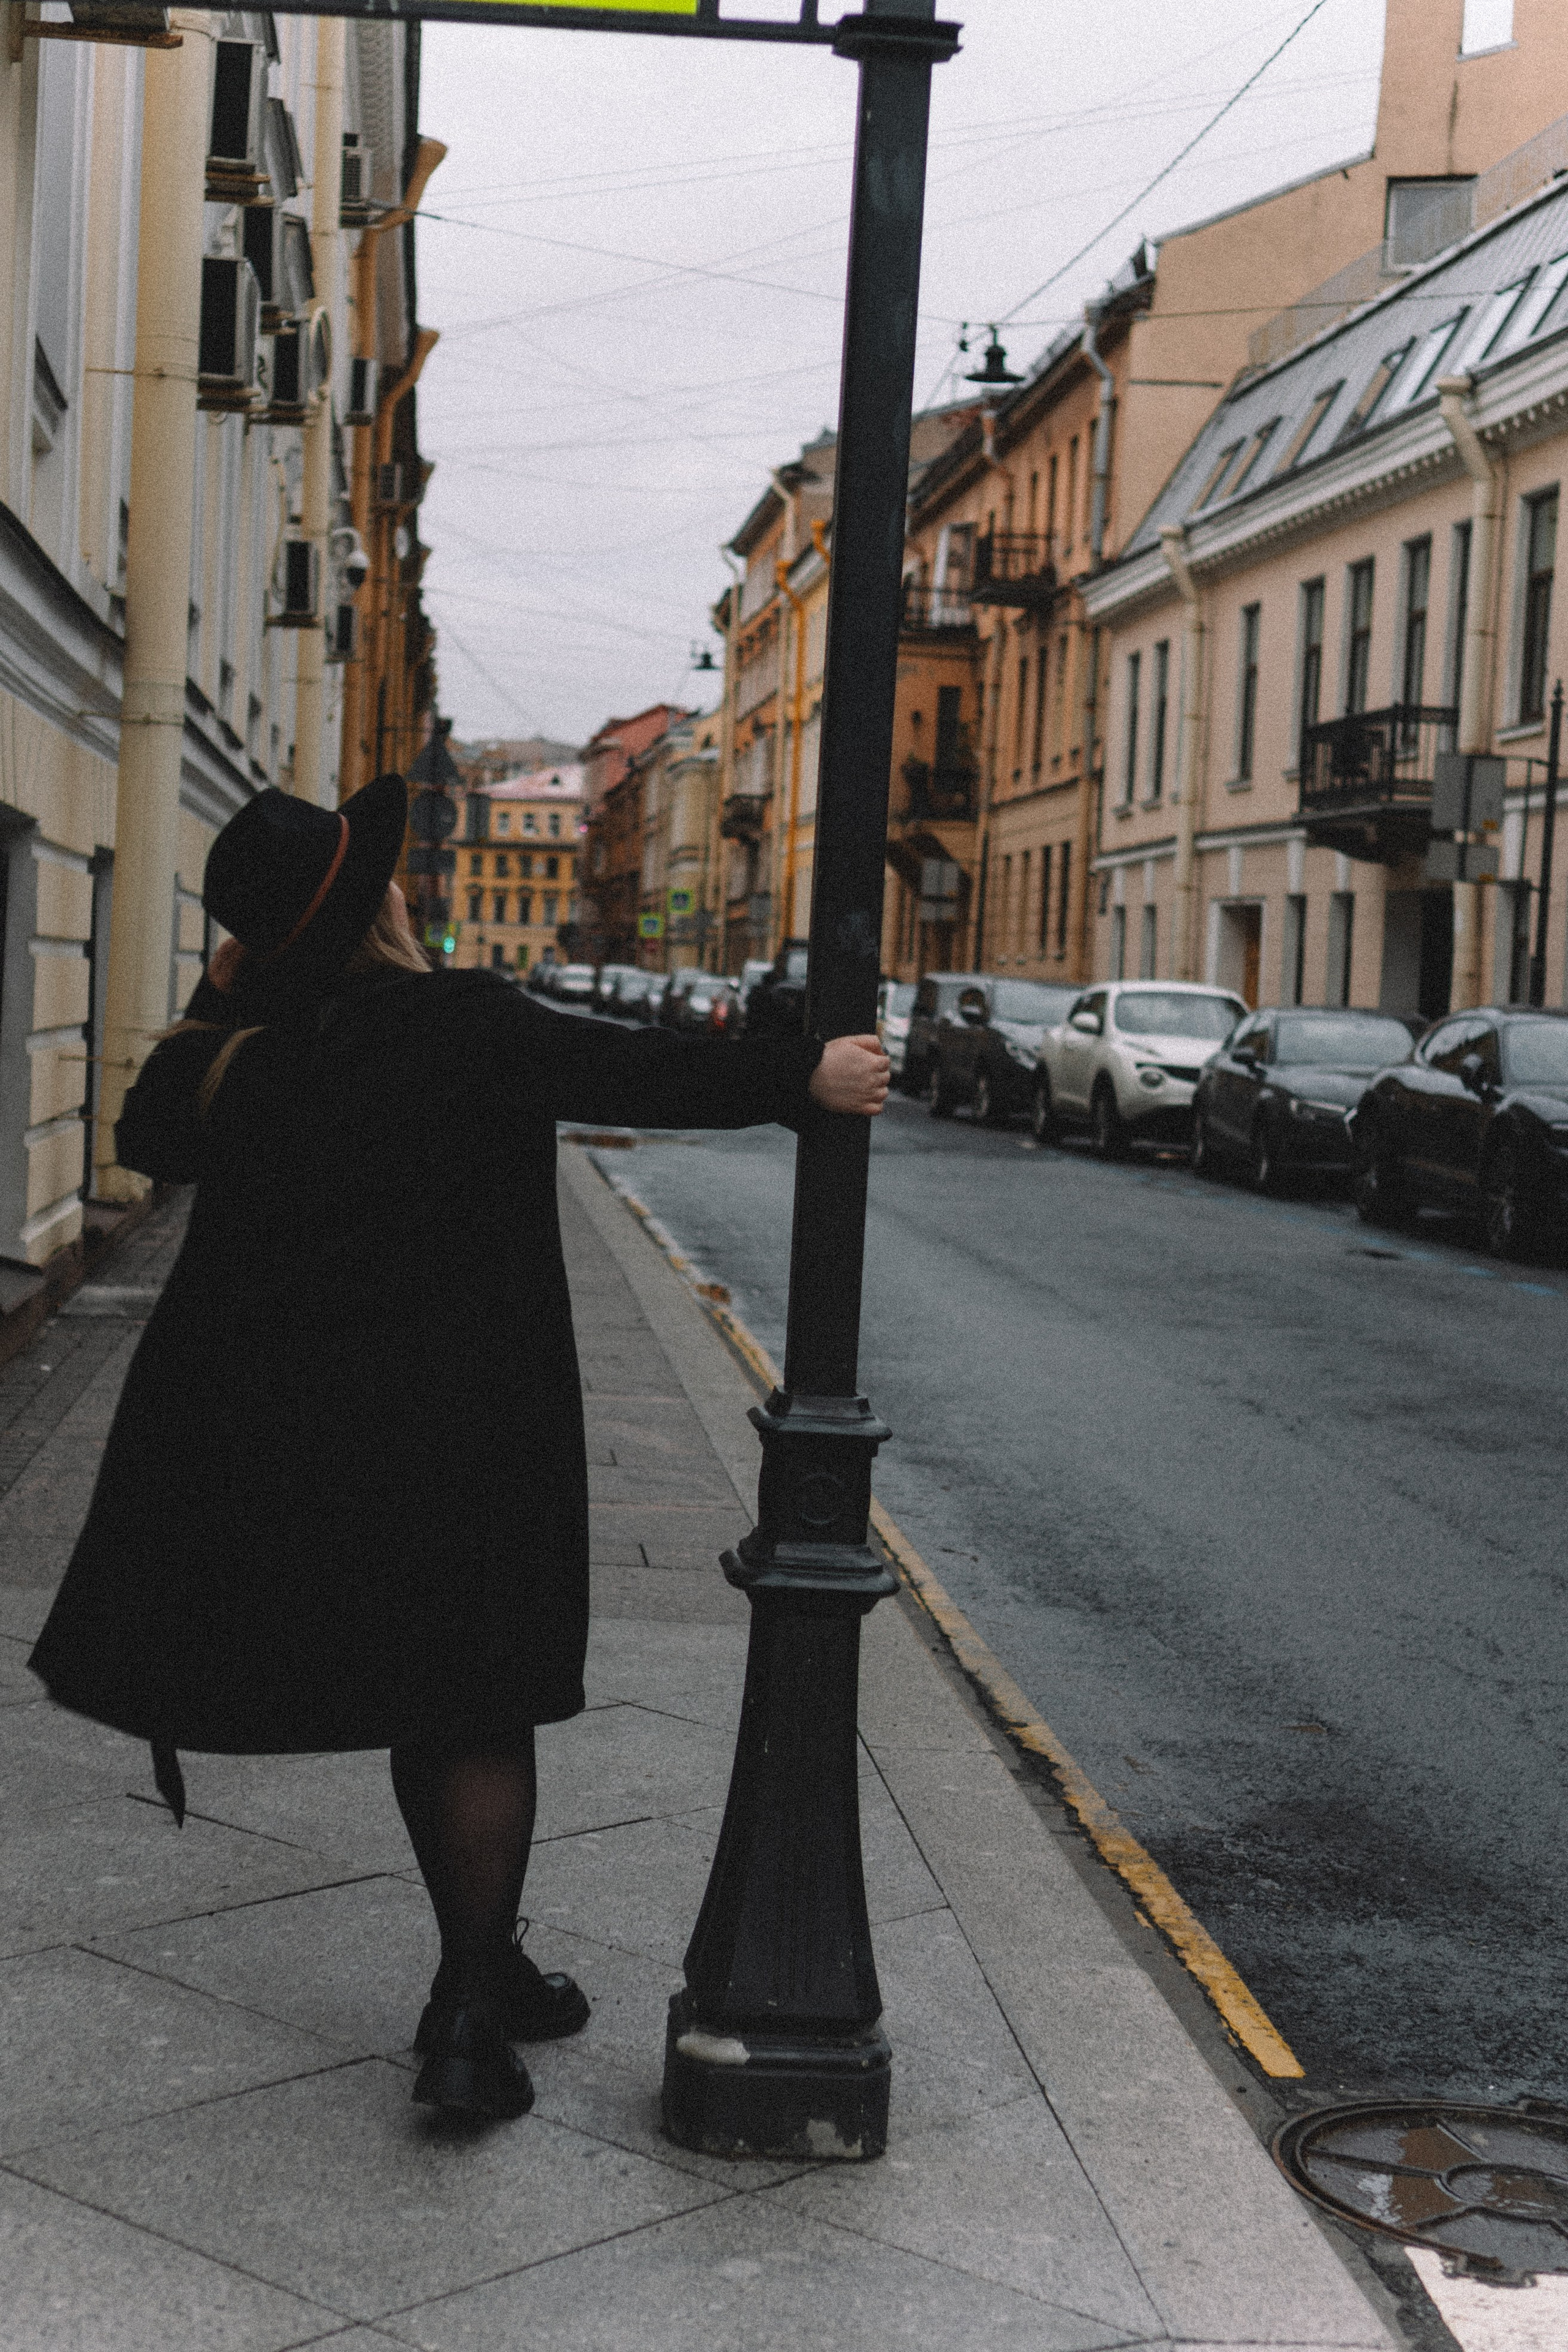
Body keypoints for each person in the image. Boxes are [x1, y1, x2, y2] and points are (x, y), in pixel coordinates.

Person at [28, 776, 888, 2121]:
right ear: (378, 908)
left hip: (290, 1439)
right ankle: (468, 2011)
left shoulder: (231, 1055)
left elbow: (149, 1131)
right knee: (467, 1695)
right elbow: (638, 1069)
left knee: (408, 1680)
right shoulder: (461, 1026)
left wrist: (239, 990)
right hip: (464, 1422)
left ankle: (490, 1976)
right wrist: (806, 1076)